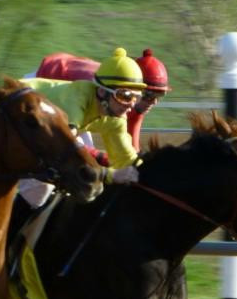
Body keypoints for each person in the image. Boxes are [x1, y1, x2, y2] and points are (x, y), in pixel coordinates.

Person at [16, 47, 146, 217]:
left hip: (38, 130)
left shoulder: (116, 119)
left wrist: (150, 176)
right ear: (101, 91)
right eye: (125, 95)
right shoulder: (78, 96)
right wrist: (108, 175)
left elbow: (126, 160)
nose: (131, 104)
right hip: (17, 109)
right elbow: (67, 146)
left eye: (136, 97)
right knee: (41, 190)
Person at [34, 48, 171, 154]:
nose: (153, 102)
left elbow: (131, 144)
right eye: (149, 95)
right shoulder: (102, 90)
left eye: (159, 95)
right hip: (48, 80)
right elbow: (68, 138)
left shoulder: (128, 97)